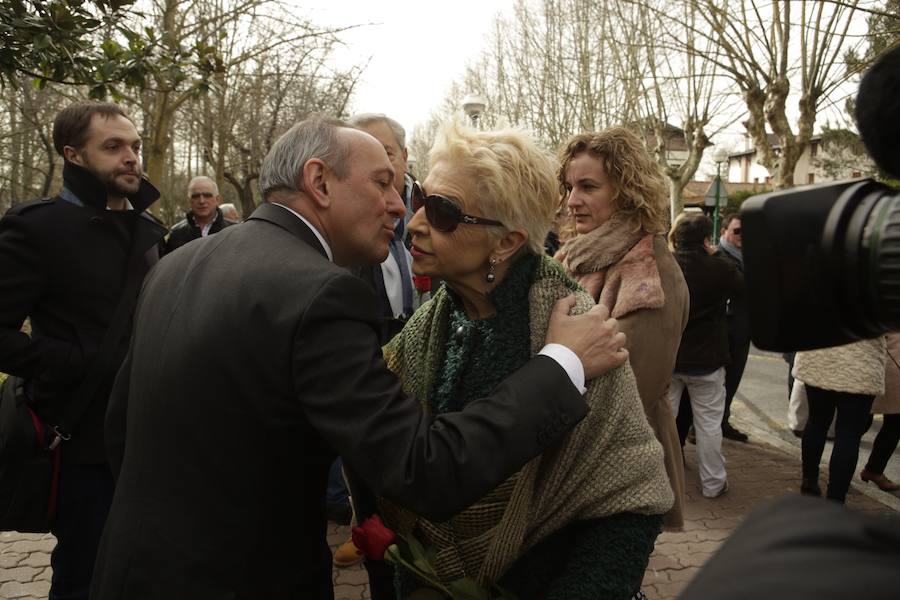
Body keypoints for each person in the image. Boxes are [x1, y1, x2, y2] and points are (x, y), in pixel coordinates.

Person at [90, 116, 630, 600]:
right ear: (319, 181)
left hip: (127, 568)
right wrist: (562, 362)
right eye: (385, 186)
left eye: (424, 202)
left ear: (507, 241)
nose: (402, 211)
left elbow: (120, 429)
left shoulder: (175, 265)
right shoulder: (318, 294)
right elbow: (423, 469)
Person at [372, 122, 673, 600]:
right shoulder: (435, 319)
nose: (414, 223)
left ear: (507, 242)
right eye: (419, 198)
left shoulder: (579, 329)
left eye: (444, 212)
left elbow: (631, 494)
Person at [0, 101, 167, 600]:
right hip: (81, 441)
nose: (131, 157)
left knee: (147, 568)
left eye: (134, 146)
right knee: (87, 572)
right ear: (73, 155)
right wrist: (77, 362)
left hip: (152, 435)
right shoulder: (36, 228)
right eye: (113, 147)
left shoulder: (154, 235)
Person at [555, 126, 689, 529]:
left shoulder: (649, 275)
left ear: (627, 190)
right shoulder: (579, 256)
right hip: (577, 457)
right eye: (568, 187)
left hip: (621, 469)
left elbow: (626, 395)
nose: (572, 202)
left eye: (588, 187)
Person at [667, 213, 743, 499]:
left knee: (663, 420)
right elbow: (742, 289)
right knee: (709, 425)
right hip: (708, 359)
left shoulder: (666, 265)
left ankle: (660, 480)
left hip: (671, 356)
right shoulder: (719, 268)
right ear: (705, 238)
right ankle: (713, 483)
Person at [794, 337, 886, 502]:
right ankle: (835, 500)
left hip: (818, 354)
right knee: (849, 433)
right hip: (861, 361)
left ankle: (809, 482)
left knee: (817, 421)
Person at [715, 213, 751, 442]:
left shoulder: (750, 257)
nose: (742, 236)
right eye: (737, 231)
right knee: (712, 383)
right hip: (719, 330)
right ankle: (699, 428)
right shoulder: (717, 257)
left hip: (742, 329)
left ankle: (722, 421)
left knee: (733, 379)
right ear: (724, 232)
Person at [164, 175, 236, 253]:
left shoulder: (234, 231)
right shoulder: (176, 234)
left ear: (217, 199)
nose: (202, 201)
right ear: (189, 201)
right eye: (196, 196)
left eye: (207, 196)